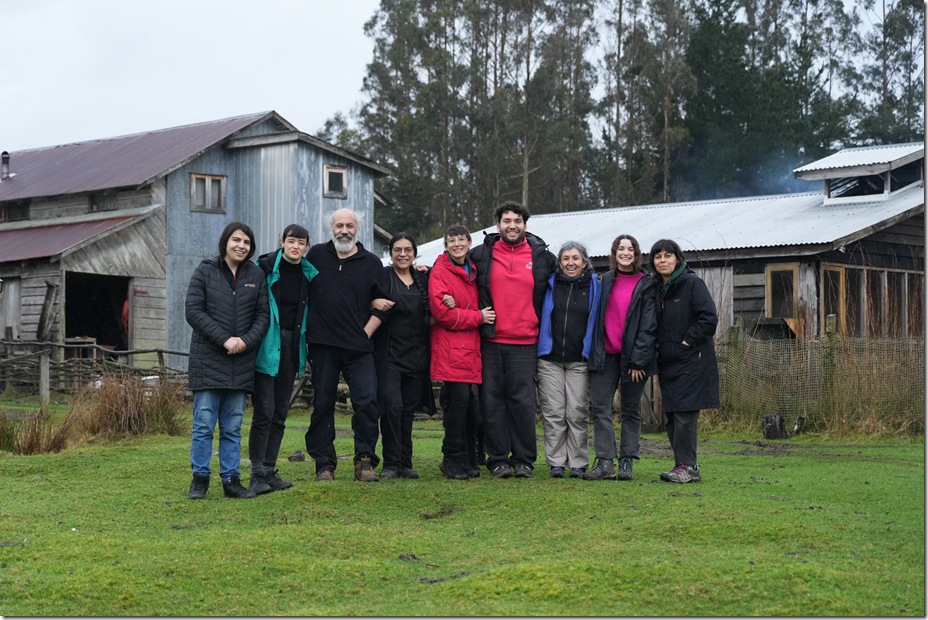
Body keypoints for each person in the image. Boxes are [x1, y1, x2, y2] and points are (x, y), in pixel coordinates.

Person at [470, 201, 557, 478]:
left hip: (526, 341)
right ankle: (497, 459)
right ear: (498, 225)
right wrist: (425, 271)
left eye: (517, 221)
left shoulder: (542, 256)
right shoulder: (481, 254)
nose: (512, 225)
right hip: (491, 341)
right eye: (507, 220)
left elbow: (566, 278)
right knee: (492, 401)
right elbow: (452, 267)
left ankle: (523, 460)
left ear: (525, 225)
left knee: (523, 403)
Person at [184, 221, 269, 500]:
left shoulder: (256, 275)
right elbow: (194, 311)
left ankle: (232, 480)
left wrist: (244, 341)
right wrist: (225, 339)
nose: (241, 246)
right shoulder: (205, 271)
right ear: (225, 242)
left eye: (246, 242)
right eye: (236, 240)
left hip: (240, 363)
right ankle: (200, 479)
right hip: (208, 359)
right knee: (204, 425)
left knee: (232, 426)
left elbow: (263, 316)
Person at [305, 208, 391, 482]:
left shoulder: (371, 263)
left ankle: (364, 461)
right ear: (332, 228)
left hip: (359, 349)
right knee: (322, 404)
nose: (345, 230)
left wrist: (365, 333)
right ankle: (324, 464)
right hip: (322, 345)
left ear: (357, 229)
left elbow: (384, 305)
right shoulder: (316, 255)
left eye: (350, 225)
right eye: (340, 225)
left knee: (367, 402)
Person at [249, 224, 318, 494]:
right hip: (267, 344)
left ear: (306, 247)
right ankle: (256, 473)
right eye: (291, 241)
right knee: (264, 411)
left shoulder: (309, 274)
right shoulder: (263, 268)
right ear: (282, 242)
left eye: (301, 243)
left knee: (279, 412)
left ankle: (268, 469)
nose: (296, 247)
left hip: (292, 345)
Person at [586, 234, 657, 481]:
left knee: (630, 410)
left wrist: (638, 360)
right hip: (605, 356)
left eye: (630, 249)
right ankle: (605, 461)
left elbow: (648, 325)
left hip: (633, 361)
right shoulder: (604, 281)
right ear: (614, 253)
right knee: (601, 409)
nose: (625, 253)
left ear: (636, 254)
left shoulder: (646, 284)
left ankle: (627, 460)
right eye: (621, 248)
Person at [649, 238, 719, 483]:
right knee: (672, 415)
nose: (663, 260)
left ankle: (689, 467)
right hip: (668, 361)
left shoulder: (692, 284)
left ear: (677, 258)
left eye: (667, 256)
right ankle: (681, 464)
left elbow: (709, 318)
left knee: (685, 414)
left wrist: (688, 342)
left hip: (692, 360)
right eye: (658, 257)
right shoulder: (656, 288)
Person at [429, 225, 495, 480]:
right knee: (457, 403)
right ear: (445, 245)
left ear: (469, 243)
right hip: (451, 347)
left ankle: (466, 456)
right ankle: (451, 456)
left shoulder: (472, 270)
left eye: (461, 240)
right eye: (451, 241)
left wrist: (463, 311)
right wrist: (478, 316)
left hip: (470, 348)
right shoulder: (441, 272)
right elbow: (442, 313)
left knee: (468, 404)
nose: (456, 244)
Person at [536, 241, 602, 478]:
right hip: (550, 359)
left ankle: (577, 462)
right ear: (559, 263)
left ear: (584, 262)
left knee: (576, 411)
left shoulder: (595, 286)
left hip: (579, 360)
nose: (570, 263)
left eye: (575, 258)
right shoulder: (550, 285)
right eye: (565, 258)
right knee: (553, 412)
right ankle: (556, 462)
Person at [372, 233, 431, 480]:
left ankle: (405, 463)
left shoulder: (423, 278)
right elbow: (366, 297)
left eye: (408, 250)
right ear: (391, 252)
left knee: (407, 411)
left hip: (417, 355)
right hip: (390, 354)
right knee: (392, 407)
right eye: (398, 250)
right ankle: (391, 463)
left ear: (415, 253)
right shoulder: (383, 277)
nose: (403, 254)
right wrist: (374, 301)